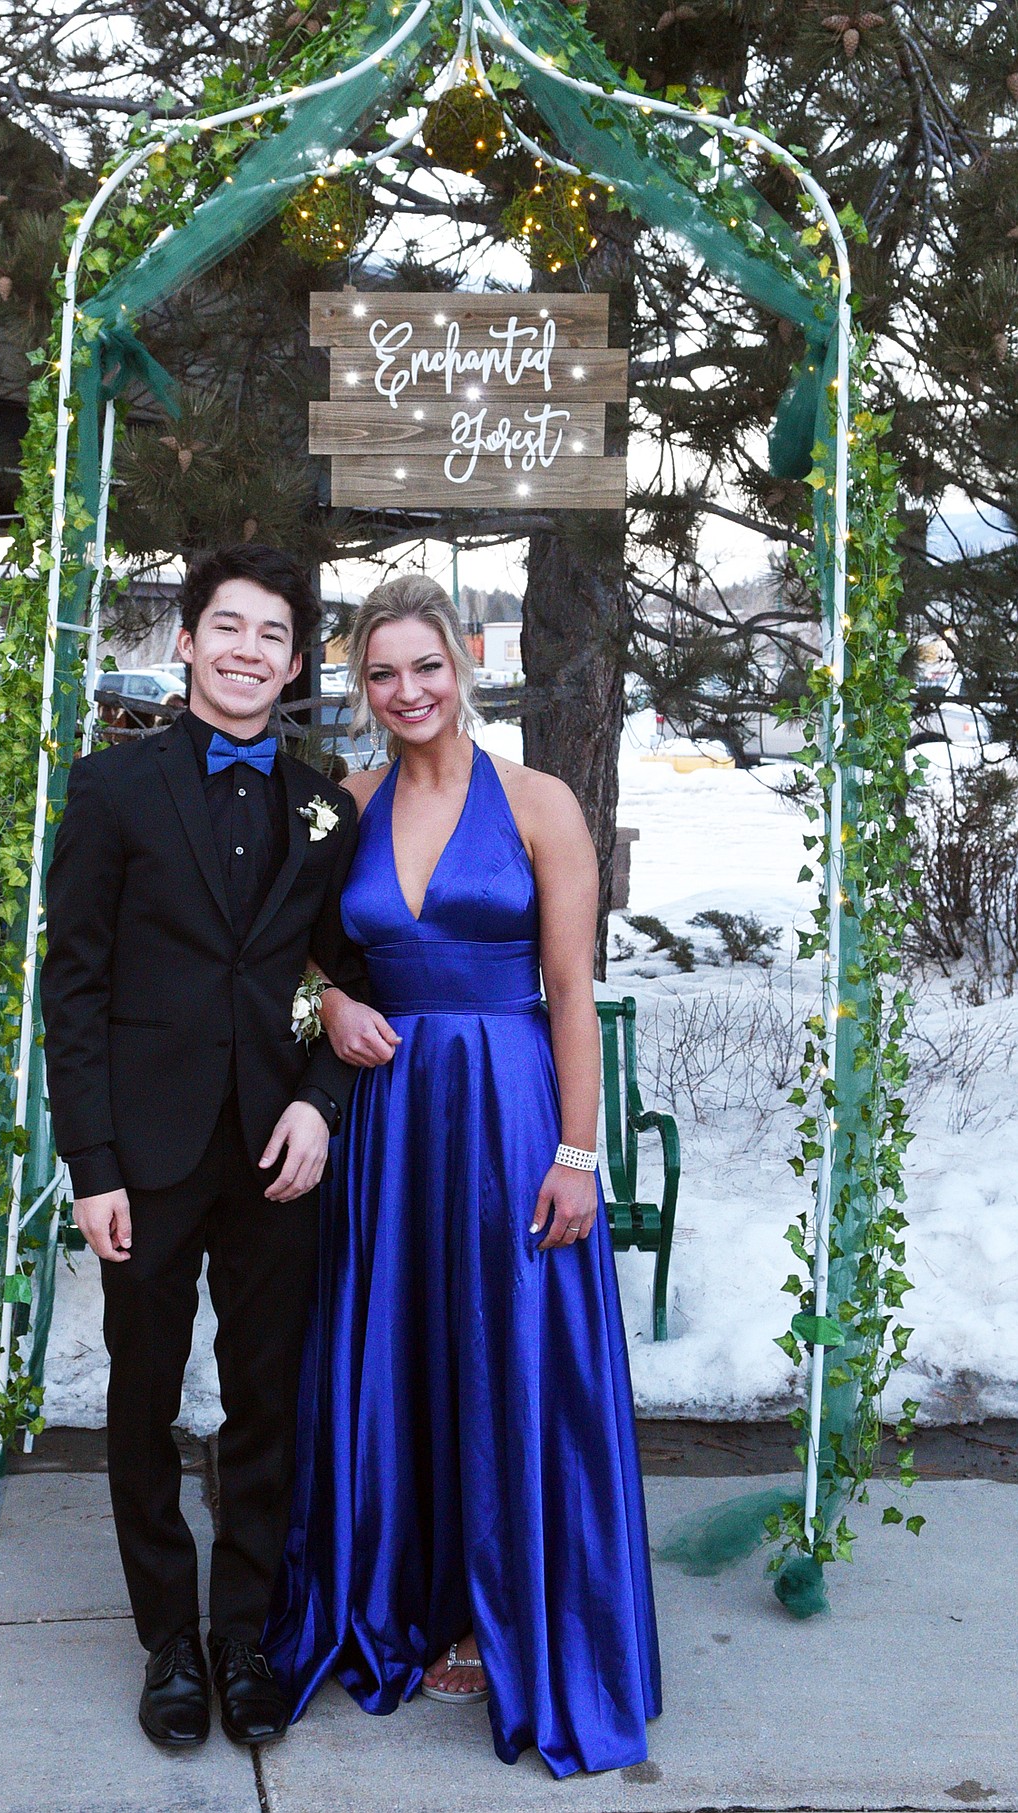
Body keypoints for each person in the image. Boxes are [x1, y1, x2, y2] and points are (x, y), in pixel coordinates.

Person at [264, 575, 661, 1778]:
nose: (405, 692)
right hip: (388, 1122)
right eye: (380, 674)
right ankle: (406, 1601)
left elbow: (573, 995)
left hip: (509, 1111)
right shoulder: (348, 807)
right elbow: (284, 957)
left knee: (512, 1355)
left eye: (423, 667)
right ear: (361, 686)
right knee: (401, 1355)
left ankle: (514, 1620)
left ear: (462, 664)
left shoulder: (541, 802)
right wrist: (328, 999)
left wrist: (579, 1153)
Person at [40, 545, 367, 1751]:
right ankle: (169, 1638)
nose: (246, 651)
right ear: (187, 641)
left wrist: (322, 1102)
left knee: (267, 1397)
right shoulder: (113, 789)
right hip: (150, 1151)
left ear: (294, 661)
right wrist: (94, 1162)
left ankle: (247, 1630)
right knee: (141, 1395)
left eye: (272, 635)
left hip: (274, 1149)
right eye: (226, 627)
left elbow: (354, 974)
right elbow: (71, 987)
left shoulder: (325, 804)